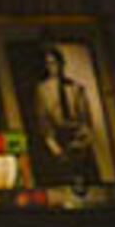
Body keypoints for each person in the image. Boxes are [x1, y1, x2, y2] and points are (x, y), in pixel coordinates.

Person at [19, 44, 100, 185]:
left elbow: (86, 120)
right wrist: (56, 149)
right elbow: (43, 123)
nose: (54, 67)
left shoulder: (75, 87)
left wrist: (82, 143)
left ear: (62, 64)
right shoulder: (42, 90)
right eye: (49, 63)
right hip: (57, 140)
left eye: (56, 62)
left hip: (78, 140)